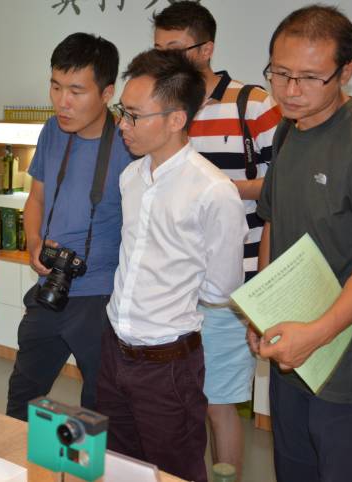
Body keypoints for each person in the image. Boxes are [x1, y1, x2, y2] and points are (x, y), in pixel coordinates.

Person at [247, 5, 352, 482]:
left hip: (351, 363)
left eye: (310, 78)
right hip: (294, 353)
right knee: (293, 469)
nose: (290, 90)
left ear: (346, 72)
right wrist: (261, 310)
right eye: (280, 74)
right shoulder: (287, 129)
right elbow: (274, 221)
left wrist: (316, 334)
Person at [96, 48, 247, 482]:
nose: (122, 125)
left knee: (176, 472)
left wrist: (170, 300)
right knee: (119, 467)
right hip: (114, 350)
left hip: (167, 365)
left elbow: (221, 287)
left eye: (134, 116)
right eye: (121, 111)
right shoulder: (131, 177)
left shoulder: (213, 191)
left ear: (177, 119)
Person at [153, 2, 282, 477]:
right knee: (170, 398)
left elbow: (282, 186)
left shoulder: (254, 104)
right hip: (171, 284)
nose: (164, 59)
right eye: (158, 49)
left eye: (174, 49)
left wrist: (219, 190)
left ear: (206, 49)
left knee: (219, 402)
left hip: (231, 286)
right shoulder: (163, 108)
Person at [6, 33, 132, 421]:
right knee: (22, 397)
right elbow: (36, 199)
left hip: (101, 296)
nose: (62, 101)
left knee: (100, 405)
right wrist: (33, 241)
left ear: (107, 92)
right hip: (51, 285)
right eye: (56, 87)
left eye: (76, 91)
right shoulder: (51, 130)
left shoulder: (129, 143)